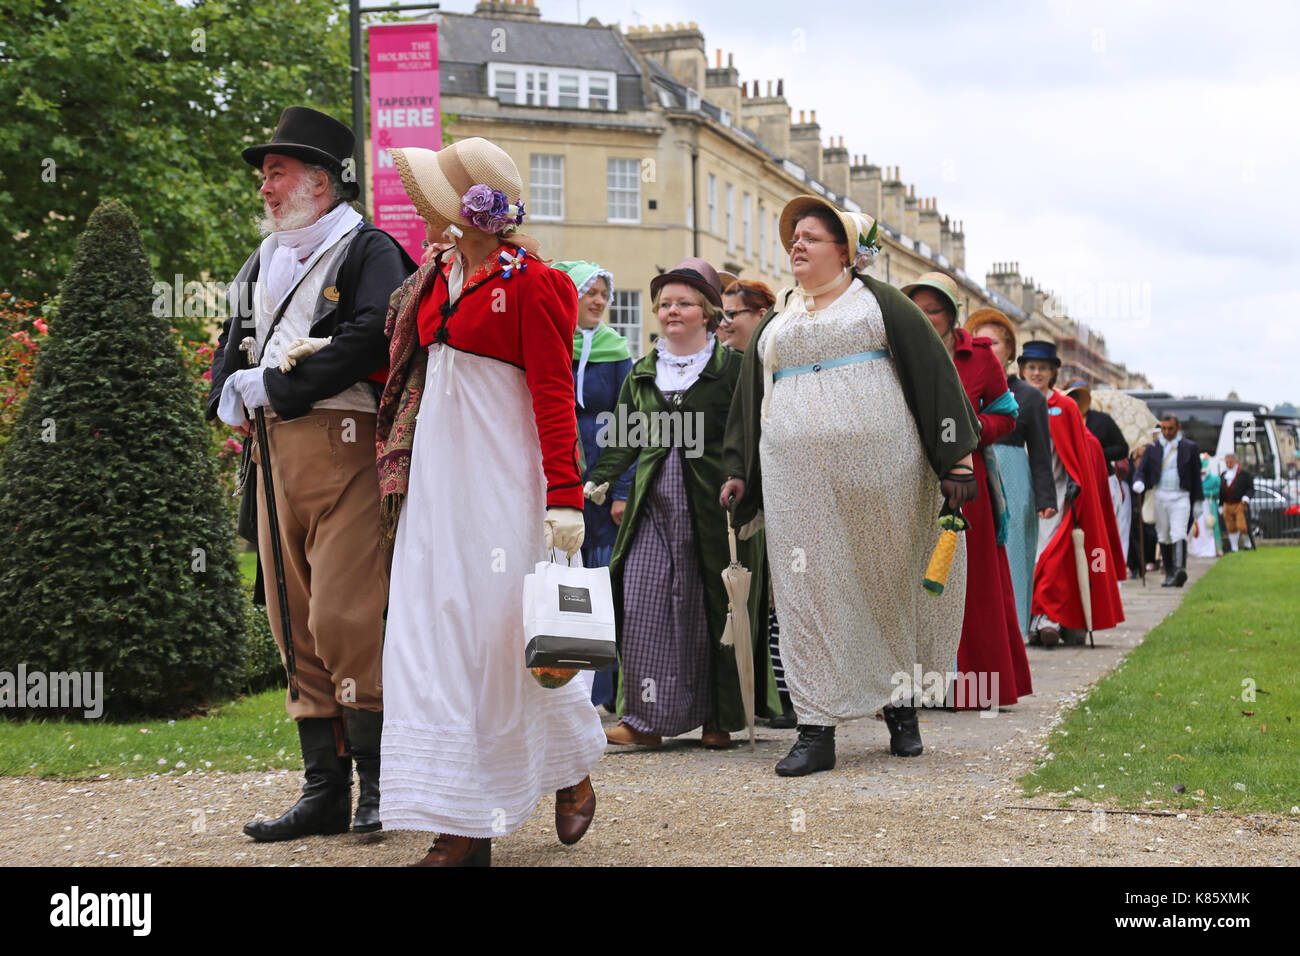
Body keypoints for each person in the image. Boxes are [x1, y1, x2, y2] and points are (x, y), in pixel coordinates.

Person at [376, 138, 606, 867]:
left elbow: (551, 396)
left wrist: (565, 496)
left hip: (502, 483)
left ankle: (570, 771)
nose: (422, 206)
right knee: (430, 636)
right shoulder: (436, 277)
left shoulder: (537, 284)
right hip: (439, 481)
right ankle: (461, 822)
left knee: (505, 638)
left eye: (439, 195)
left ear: (480, 209)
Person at [208, 107, 415, 842]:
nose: (265, 186)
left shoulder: (369, 248)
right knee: (290, 618)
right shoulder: (259, 261)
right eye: (265, 175)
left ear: (320, 181)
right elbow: (234, 340)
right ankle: (323, 790)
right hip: (272, 454)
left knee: (345, 615)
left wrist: (280, 384)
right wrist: (229, 391)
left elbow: (374, 332)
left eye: (277, 172)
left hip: (344, 442)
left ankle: (378, 785)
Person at [721, 196, 981, 776]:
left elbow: (934, 376)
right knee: (804, 592)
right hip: (796, 481)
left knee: (885, 585)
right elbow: (748, 401)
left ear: (845, 251)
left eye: (812, 237)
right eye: (794, 238)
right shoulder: (777, 320)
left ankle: (900, 708)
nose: (798, 246)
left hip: (883, 476)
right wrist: (739, 471)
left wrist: (956, 460)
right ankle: (816, 731)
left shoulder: (881, 304)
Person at [584, 258, 781, 749]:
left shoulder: (734, 368)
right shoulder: (644, 370)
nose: (672, 311)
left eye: (684, 303)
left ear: (708, 312)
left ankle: (719, 717)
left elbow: (754, 433)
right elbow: (625, 437)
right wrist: (596, 484)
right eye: (665, 303)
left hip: (717, 508)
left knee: (715, 607)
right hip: (654, 504)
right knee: (643, 596)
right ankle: (644, 719)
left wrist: (745, 483)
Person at [903, 275, 1030, 708]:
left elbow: (1007, 415)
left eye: (932, 310)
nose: (923, 317)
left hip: (965, 478)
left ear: (951, 314)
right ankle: (910, 690)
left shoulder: (978, 357)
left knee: (968, 584)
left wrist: (975, 430)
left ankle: (970, 686)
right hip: (904, 478)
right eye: (915, 309)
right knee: (910, 579)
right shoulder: (894, 354)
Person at [553, 260, 633, 711]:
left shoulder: (616, 348)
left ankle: (609, 691)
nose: (599, 301)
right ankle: (566, 687)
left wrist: (621, 488)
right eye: (590, 292)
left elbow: (630, 422)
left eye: (604, 293)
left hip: (603, 480)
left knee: (605, 580)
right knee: (566, 578)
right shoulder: (550, 338)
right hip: (561, 471)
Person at [720, 279, 793, 726]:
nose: (724, 323)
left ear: (762, 315)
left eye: (734, 314)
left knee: (783, 597)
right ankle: (772, 695)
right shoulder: (727, 365)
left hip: (781, 489)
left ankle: (788, 697)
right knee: (761, 600)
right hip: (747, 496)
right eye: (722, 313)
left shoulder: (774, 364)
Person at [1018, 341, 1125, 643]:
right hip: (1020, 495)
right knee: (1026, 559)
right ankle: (1029, 619)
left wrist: (1078, 482)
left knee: (1049, 560)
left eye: (1042, 368)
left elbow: (1081, 448)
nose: (1036, 373)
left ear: (1053, 372)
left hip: (1058, 496)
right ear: (1022, 370)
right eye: (1031, 367)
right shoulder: (1011, 402)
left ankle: (1047, 619)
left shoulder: (1065, 408)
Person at [966, 309, 1056, 643]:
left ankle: (1015, 631)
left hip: (1015, 475)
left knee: (1016, 553)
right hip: (972, 473)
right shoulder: (961, 385)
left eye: (993, 343)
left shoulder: (1030, 397)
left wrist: (1046, 498)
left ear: (1009, 348)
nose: (986, 349)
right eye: (980, 342)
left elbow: (1041, 451)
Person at [1065, 381, 1132, 566]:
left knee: (1103, 530)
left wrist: (1096, 452)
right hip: (1073, 484)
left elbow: (1122, 448)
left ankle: (1101, 569)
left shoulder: (1102, 421)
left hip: (1102, 481)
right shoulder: (1062, 420)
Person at [1133, 414, 1202, 586]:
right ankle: (1170, 573)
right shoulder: (1152, 447)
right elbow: (1141, 469)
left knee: (1178, 532)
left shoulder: (1189, 447)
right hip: (1160, 495)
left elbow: (1196, 477)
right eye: (1164, 428)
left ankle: (1180, 570)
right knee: (1163, 535)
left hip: (1181, 496)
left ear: (1177, 428)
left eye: (1170, 428)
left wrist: (1199, 501)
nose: (1167, 432)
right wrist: (1139, 481)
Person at [721, 279, 774, 354]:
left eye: (731, 314)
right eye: (721, 316)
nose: (722, 324)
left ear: (762, 316)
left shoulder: (782, 354)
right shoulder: (720, 361)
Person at [1219, 452, 1253, 552]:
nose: (1228, 464)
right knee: (1231, 527)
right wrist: (1221, 505)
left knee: (1242, 526)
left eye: (1230, 462)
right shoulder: (1223, 475)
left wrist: (1246, 497)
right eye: (1227, 462)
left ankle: (1248, 544)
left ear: (1236, 462)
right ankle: (1234, 548)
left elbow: (1251, 488)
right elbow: (1221, 491)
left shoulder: (1244, 474)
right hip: (1227, 504)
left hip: (1239, 504)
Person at [1189, 454, 1221, 557]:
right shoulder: (1194, 478)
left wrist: (1204, 493)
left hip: (1209, 506)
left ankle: (1213, 549)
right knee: (1197, 526)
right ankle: (1195, 549)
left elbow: (1217, 491)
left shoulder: (1214, 479)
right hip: (1197, 506)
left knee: (1209, 526)